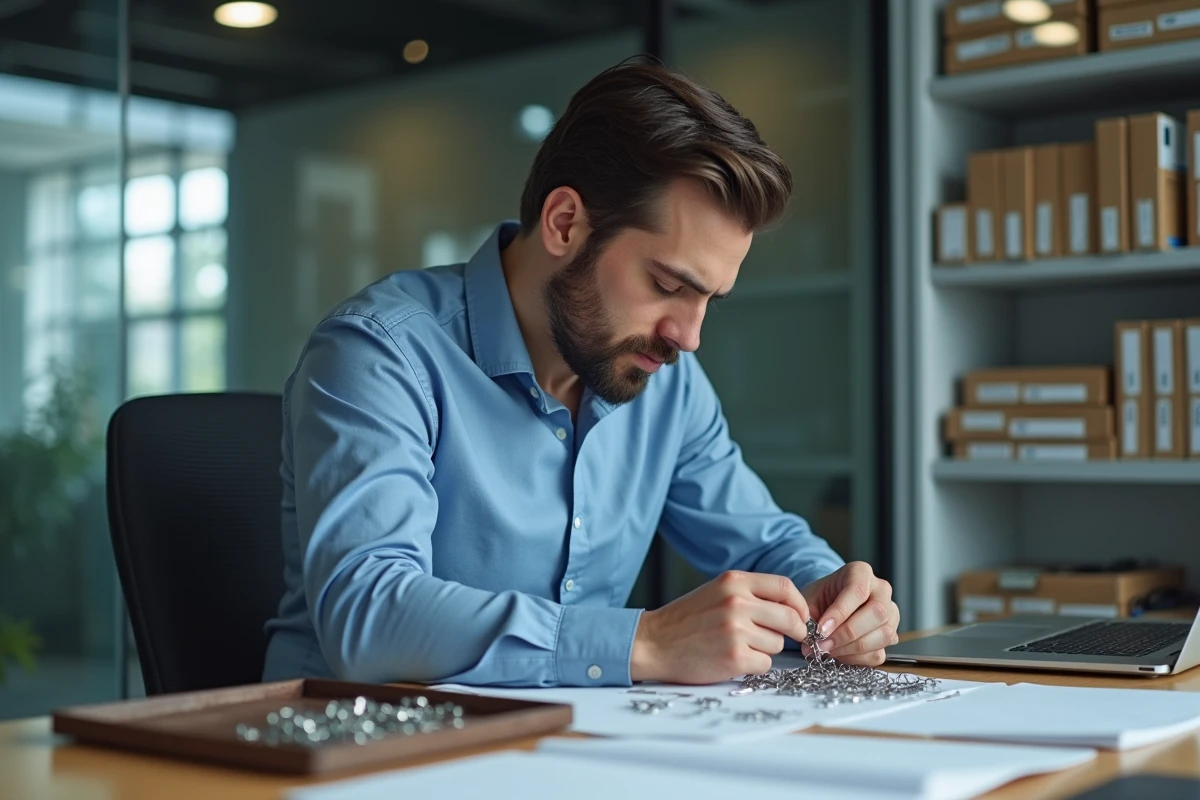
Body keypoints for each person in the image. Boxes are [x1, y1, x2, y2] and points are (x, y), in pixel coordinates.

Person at [262, 57, 900, 688]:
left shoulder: (665, 381)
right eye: (667, 284)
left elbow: (762, 546)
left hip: (568, 748)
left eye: (709, 300)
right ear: (565, 223)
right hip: (351, 757)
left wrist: (832, 597)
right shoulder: (379, 353)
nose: (689, 336)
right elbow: (367, 614)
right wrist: (642, 643)